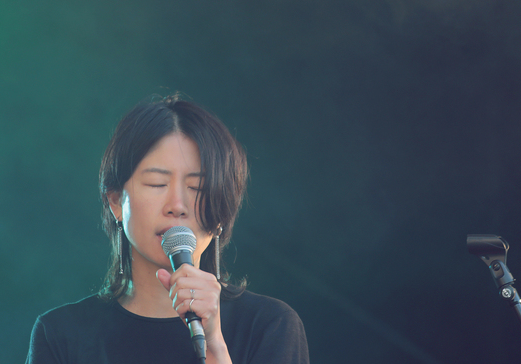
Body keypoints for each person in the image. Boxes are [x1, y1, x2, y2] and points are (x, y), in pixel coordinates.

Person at [25, 94, 309, 364]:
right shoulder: (60, 335)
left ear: (222, 211)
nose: (177, 205)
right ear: (115, 201)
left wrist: (215, 347)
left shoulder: (271, 325)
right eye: (157, 184)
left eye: (197, 187)